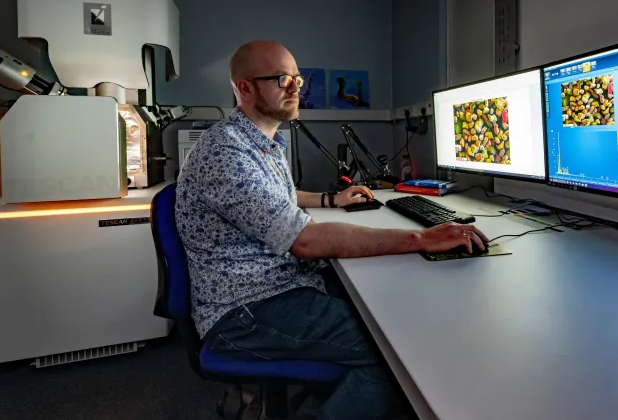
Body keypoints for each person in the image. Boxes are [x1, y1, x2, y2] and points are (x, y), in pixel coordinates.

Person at [175, 40, 488, 420]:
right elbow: (305, 241)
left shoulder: (262, 143)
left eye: (296, 78)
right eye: (280, 79)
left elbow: (277, 200)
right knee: (397, 352)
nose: (294, 88)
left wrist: (329, 200)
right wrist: (421, 238)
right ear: (244, 88)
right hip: (245, 311)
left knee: (392, 306)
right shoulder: (224, 152)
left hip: (275, 284)